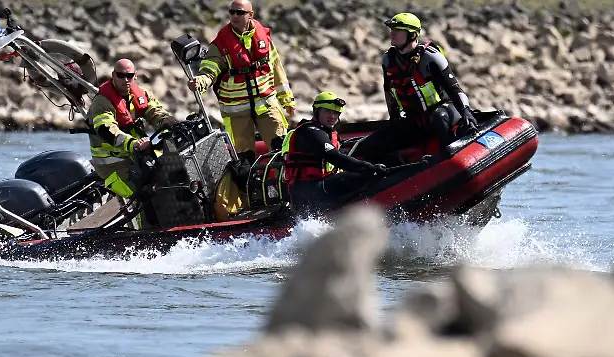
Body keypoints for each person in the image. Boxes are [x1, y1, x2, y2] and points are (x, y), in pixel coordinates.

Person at [351, 13, 479, 166]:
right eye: (392, 29)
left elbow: (454, 89)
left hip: (445, 111)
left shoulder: (431, 57)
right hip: (416, 119)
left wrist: (465, 111)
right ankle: (399, 171)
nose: (392, 33)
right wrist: (394, 120)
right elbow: (388, 92)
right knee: (372, 145)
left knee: (439, 117)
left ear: (412, 35)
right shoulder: (388, 60)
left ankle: (449, 160)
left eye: (397, 29)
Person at [188, 0, 295, 158]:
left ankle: (282, 180)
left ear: (250, 15)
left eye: (240, 12)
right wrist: (200, 82)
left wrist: (287, 100)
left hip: (266, 103)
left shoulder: (263, 37)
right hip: (237, 110)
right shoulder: (220, 44)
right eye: (232, 12)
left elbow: (277, 68)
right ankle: (247, 181)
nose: (234, 16)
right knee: (244, 157)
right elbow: (209, 72)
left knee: (281, 147)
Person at [280, 92, 390, 216]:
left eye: (336, 113)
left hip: (320, 186)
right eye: (328, 111)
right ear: (316, 111)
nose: (333, 116)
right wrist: (371, 168)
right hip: (309, 189)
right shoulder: (309, 132)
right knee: (367, 175)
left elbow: (345, 156)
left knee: (362, 170)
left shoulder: (331, 134)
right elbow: (334, 157)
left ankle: (354, 210)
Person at [86, 58, 177, 205]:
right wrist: (134, 144)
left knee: (171, 176)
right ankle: (146, 227)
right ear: (113, 75)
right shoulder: (102, 102)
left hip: (137, 155)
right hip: (113, 165)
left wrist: (167, 122)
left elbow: (155, 112)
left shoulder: (141, 95)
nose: (125, 79)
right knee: (142, 197)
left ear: (135, 76)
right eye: (121, 75)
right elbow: (107, 130)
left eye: (129, 76)